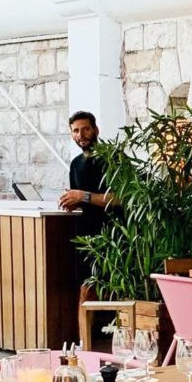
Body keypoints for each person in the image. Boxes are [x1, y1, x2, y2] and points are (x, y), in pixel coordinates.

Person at [56, 110, 114, 294]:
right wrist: (71, 201)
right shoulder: (75, 164)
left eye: (85, 129)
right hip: (85, 238)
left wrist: (83, 196)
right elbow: (81, 200)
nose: (81, 135)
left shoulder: (112, 159)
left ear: (96, 130)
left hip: (112, 238)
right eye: (76, 131)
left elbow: (121, 198)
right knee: (84, 290)